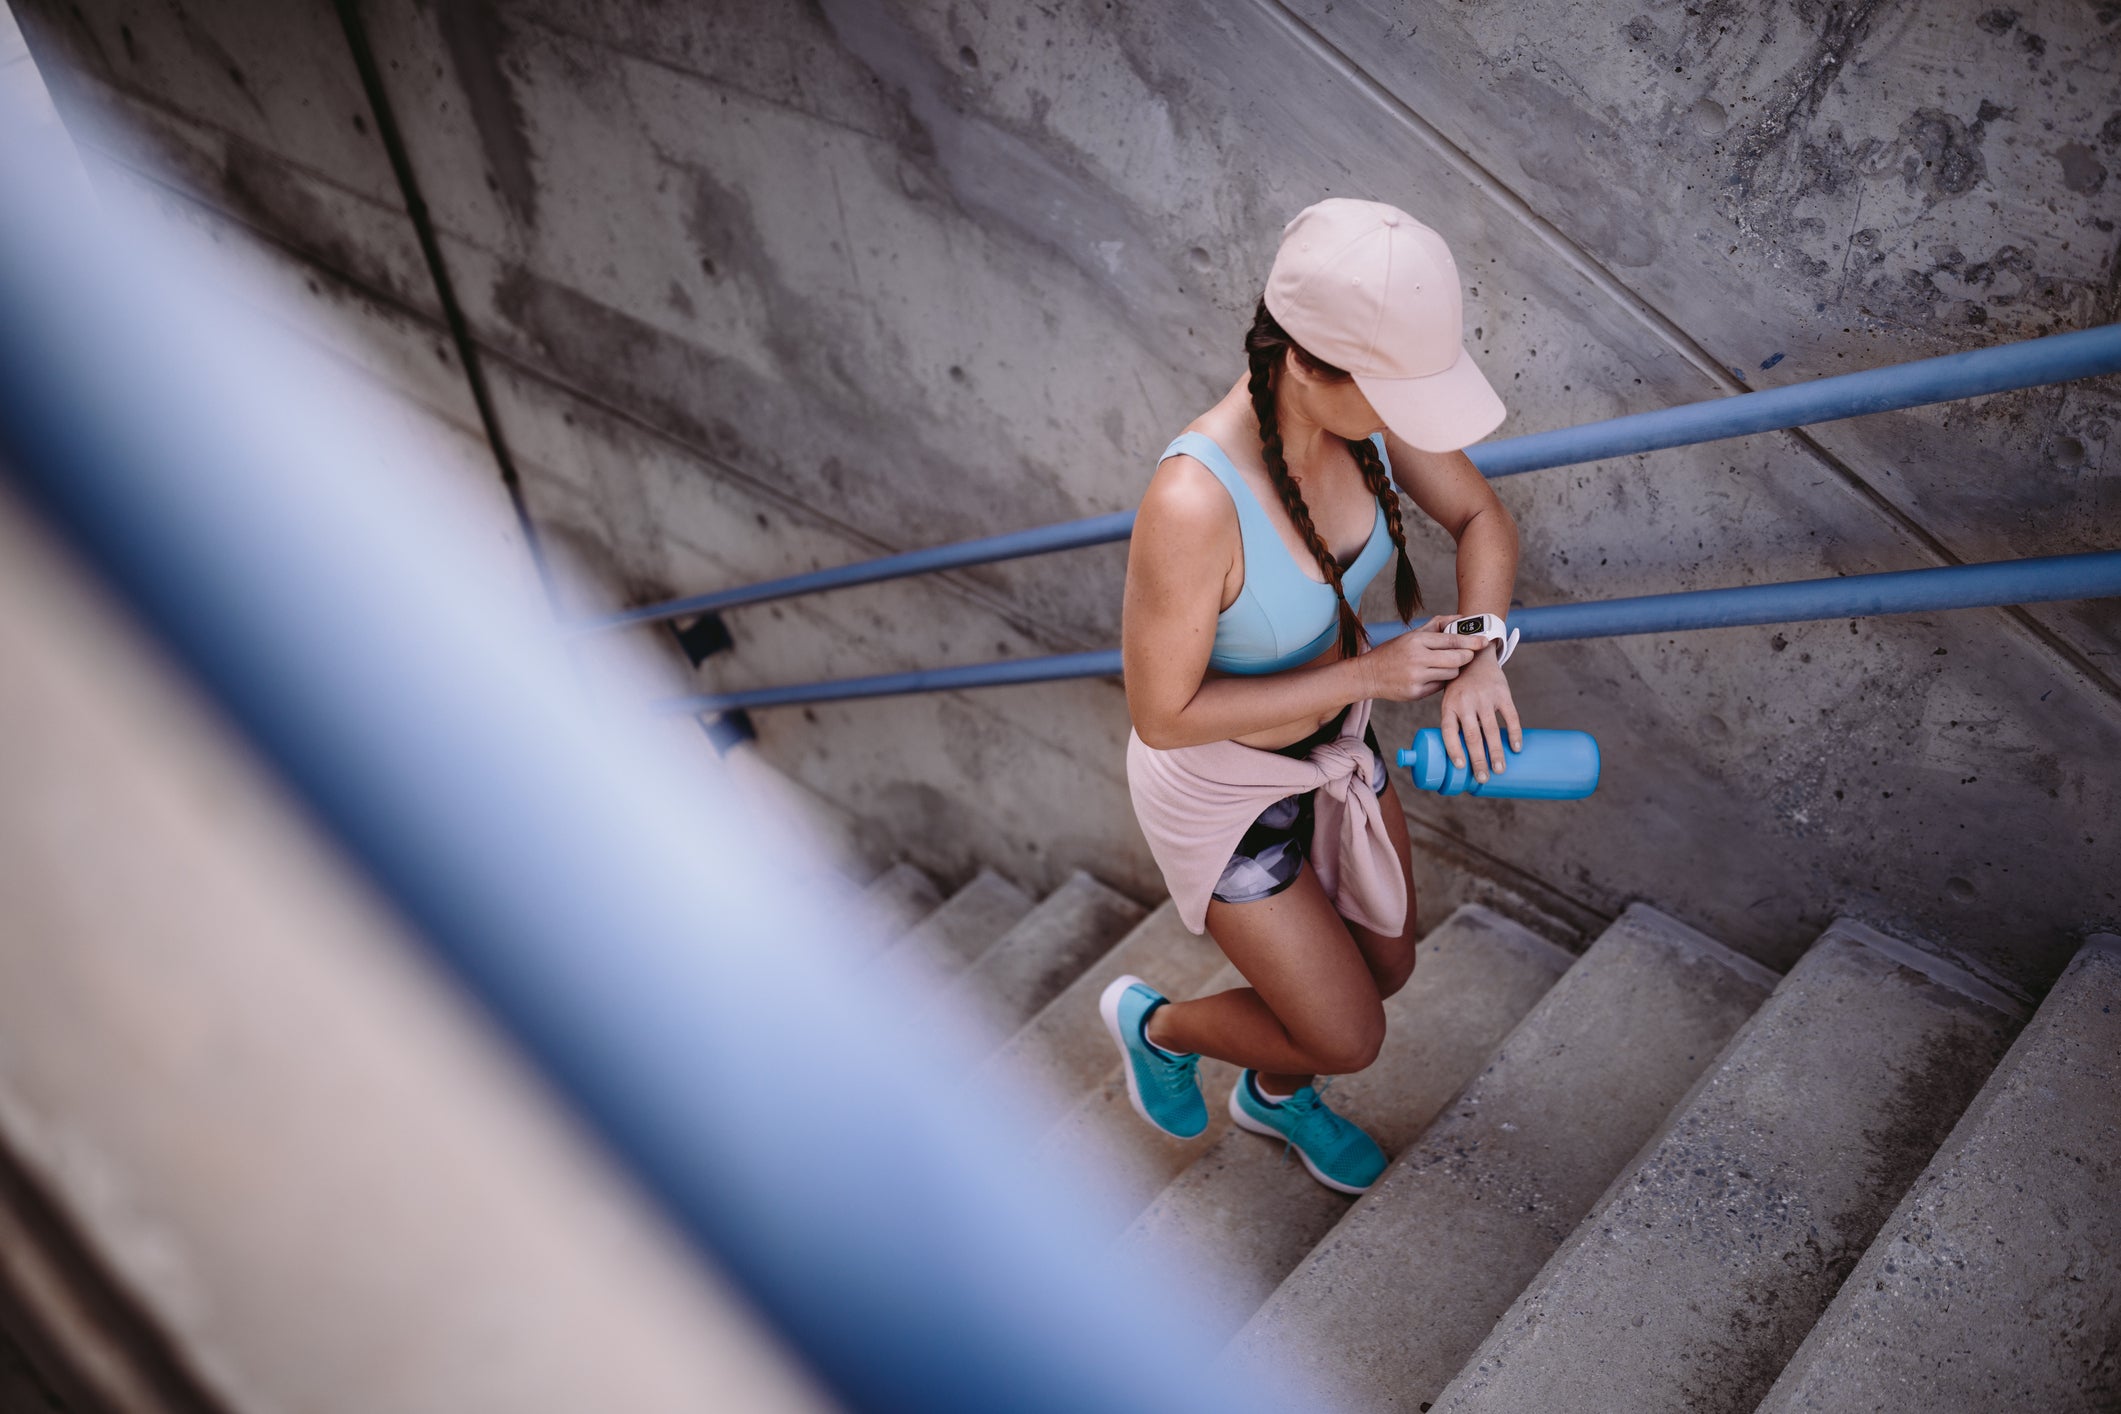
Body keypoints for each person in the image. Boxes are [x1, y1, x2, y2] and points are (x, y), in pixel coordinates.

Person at [1101, 198, 1524, 1195]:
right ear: (1306, 363)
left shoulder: (1364, 415)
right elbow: (1162, 713)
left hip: (1338, 745)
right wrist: (1370, 675)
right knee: (1350, 1030)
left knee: (1385, 969)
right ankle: (1155, 1026)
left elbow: (1481, 518)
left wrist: (1482, 651)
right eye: (1391, 393)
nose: (1407, 419)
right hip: (1222, 791)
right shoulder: (1193, 501)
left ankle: (1273, 1094)